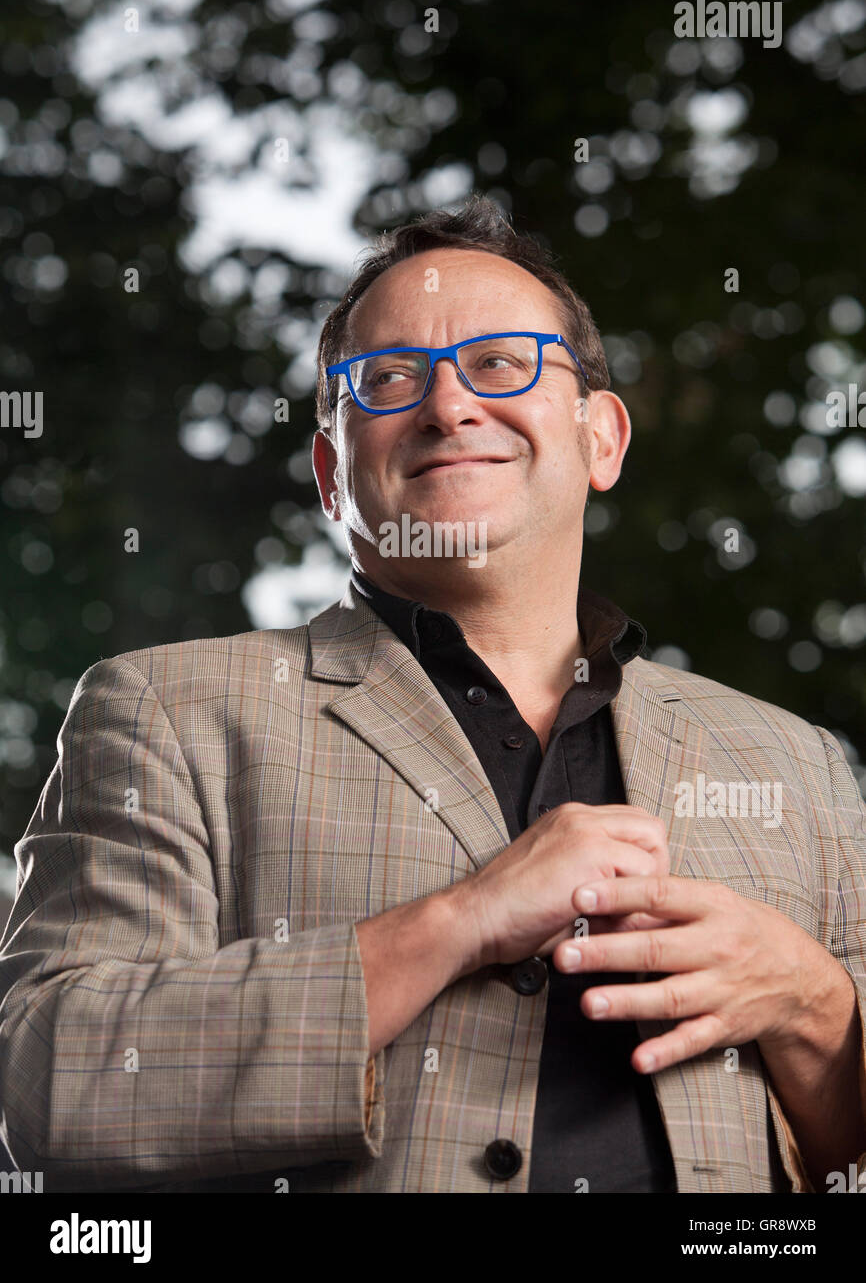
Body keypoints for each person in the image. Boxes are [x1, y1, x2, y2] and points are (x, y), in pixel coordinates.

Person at [1, 196, 864, 1194]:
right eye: (389, 378)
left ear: (601, 438)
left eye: (501, 364)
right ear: (330, 473)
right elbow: (49, 1081)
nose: (448, 406)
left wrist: (811, 1004)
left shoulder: (793, 762)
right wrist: (458, 921)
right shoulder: (166, 709)